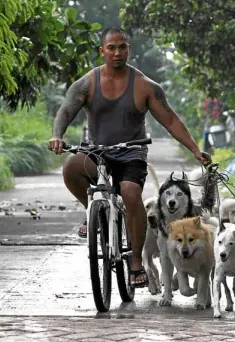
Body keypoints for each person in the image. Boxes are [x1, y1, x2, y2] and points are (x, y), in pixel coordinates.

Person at [48, 27, 211, 288]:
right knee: (70, 169)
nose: (117, 52)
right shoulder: (87, 83)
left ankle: (136, 262)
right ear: (102, 51)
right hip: (96, 151)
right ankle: (93, 214)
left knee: (131, 193)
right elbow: (65, 110)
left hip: (131, 151)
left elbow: (170, 119)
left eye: (122, 47)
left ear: (128, 50)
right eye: (111, 47)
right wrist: (57, 135)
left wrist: (194, 149)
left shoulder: (145, 86)